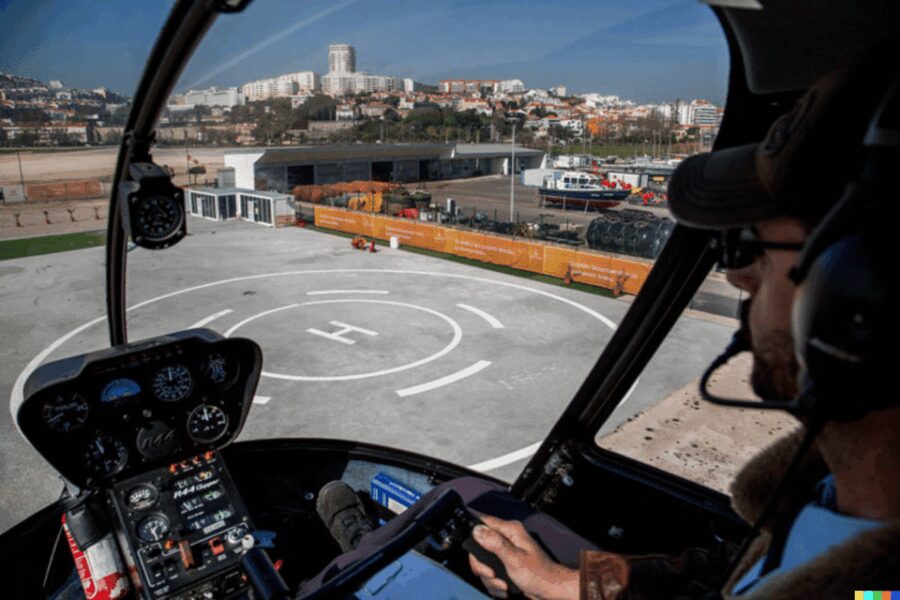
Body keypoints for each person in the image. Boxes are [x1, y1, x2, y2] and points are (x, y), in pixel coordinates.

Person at [466, 54, 900, 600]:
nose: (738, 276)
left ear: (861, 299)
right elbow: (723, 573)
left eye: (749, 246)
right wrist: (570, 585)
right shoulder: (828, 495)